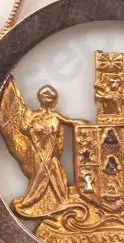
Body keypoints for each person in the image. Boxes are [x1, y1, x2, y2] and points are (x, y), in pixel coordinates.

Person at [12, 85, 87, 217]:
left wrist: (84, 123)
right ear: (40, 98)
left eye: (52, 97)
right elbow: (24, 129)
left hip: (52, 153)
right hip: (39, 152)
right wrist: (22, 116)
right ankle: (32, 201)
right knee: (39, 176)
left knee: (56, 174)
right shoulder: (34, 116)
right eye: (47, 96)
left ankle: (62, 200)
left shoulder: (56, 115)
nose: (50, 99)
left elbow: (70, 122)